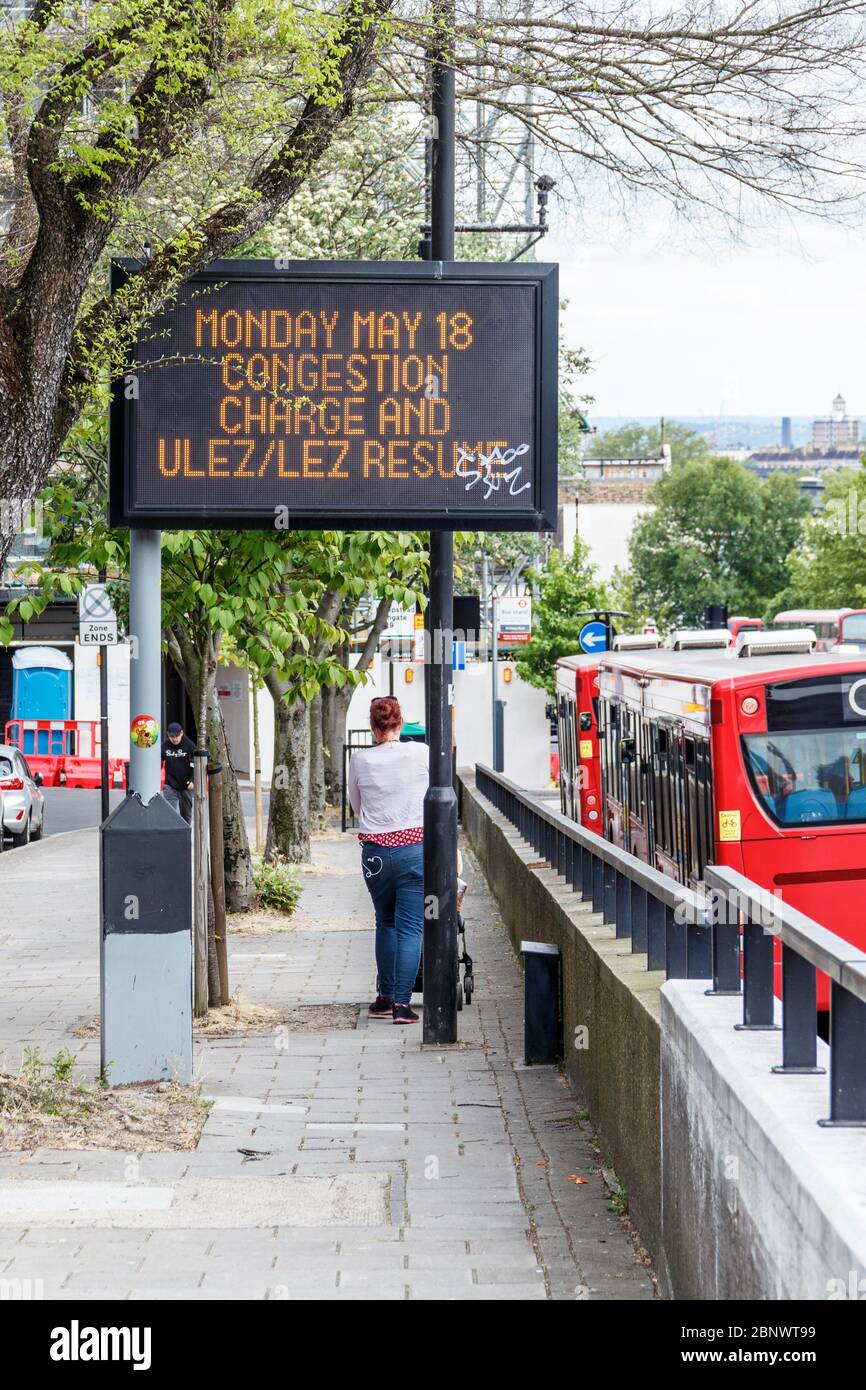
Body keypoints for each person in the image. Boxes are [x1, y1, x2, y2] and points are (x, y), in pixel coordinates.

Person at [348, 696, 429, 1024]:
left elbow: (356, 804)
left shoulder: (360, 760)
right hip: (414, 849)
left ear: (372, 726)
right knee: (411, 927)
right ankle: (401, 1005)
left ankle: (383, 998)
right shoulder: (421, 753)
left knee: (385, 922)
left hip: (375, 853)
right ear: (400, 722)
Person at [161, 721, 195, 823]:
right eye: (172, 736)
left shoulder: (189, 745)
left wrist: (192, 780)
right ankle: (170, 837)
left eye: (176, 736)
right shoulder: (164, 746)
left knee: (186, 816)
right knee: (170, 814)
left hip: (186, 786)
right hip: (170, 785)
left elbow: (195, 764)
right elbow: (157, 762)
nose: (174, 739)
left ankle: (185, 837)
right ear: (168, 735)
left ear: (181, 733)